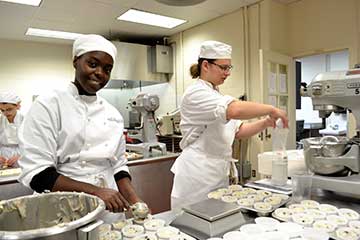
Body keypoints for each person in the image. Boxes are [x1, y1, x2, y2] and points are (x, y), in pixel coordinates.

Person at [18, 34, 147, 220]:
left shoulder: (113, 114)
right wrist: (96, 191)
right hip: (62, 207)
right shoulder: (49, 105)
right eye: (93, 64)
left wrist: (135, 201)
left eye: (107, 69)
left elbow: (118, 165)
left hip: (108, 210)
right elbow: (38, 174)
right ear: (75, 62)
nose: (100, 73)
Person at [170, 40, 289, 209]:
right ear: (206, 65)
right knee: (194, 225)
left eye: (229, 68)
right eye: (223, 67)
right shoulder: (196, 93)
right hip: (197, 175)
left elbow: (239, 131)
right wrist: (271, 109)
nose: (228, 73)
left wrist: (266, 122)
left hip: (216, 173)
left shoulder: (215, 95)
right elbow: (234, 110)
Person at [0, 91, 24, 168]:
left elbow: (33, 143)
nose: (6, 113)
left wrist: (21, 156)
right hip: (3, 156)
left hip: (21, 155)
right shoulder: (0, 120)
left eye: (9, 109)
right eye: (2, 110)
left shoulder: (25, 119)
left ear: (17, 106)